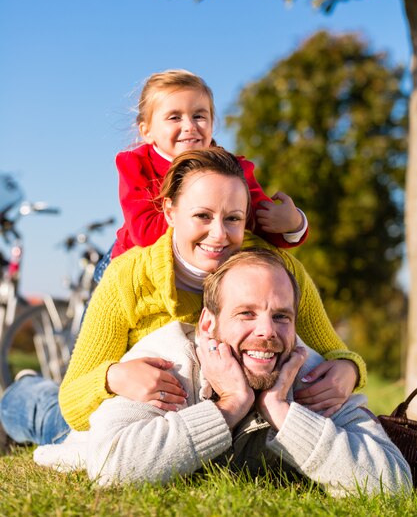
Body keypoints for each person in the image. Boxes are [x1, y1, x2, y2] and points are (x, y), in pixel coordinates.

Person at [0, 148, 365, 446]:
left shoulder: (277, 270)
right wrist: (113, 378)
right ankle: (22, 392)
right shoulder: (128, 277)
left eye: (233, 219)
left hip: (204, 428)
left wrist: (348, 371)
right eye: (202, 216)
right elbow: (75, 401)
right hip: (131, 420)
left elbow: (335, 351)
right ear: (171, 211)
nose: (219, 234)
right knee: (54, 424)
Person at [33, 250, 412, 496]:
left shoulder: (309, 373)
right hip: (74, 431)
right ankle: (26, 390)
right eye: (246, 313)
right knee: (42, 413)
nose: (266, 332)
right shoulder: (168, 361)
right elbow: (109, 467)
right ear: (208, 325)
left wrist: (282, 412)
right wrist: (228, 407)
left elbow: (393, 484)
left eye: (281, 316)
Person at [95, 69, 308, 280]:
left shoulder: (232, 171)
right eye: (174, 117)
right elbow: (145, 232)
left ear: (212, 122)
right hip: (132, 261)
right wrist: (199, 220)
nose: (189, 126)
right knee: (100, 310)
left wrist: (293, 224)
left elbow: (256, 222)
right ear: (146, 130)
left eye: (199, 116)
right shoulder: (135, 164)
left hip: (199, 265)